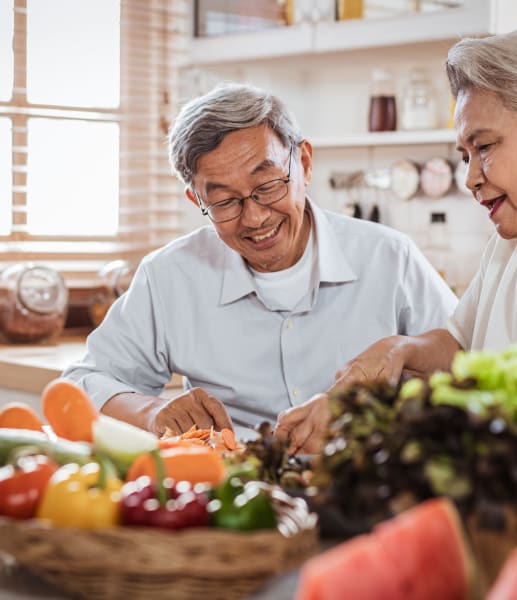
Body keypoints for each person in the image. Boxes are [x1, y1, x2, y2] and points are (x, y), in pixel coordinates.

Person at [276, 20, 517, 452]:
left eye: (484, 147)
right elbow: (462, 348)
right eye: (464, 156)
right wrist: (401, 351)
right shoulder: (511, 243)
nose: (470, 178)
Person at [62, 82, 456, 436]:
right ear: (196, 201)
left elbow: (468, 361)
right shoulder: (170, 276)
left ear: (303, 163)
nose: (255, 217)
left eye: (267, 185)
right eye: (224, 201)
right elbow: (82, 382)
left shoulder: (389, 257)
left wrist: (381, 396)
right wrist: (152, 412)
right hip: (231, 498)